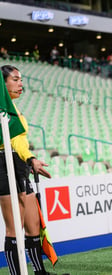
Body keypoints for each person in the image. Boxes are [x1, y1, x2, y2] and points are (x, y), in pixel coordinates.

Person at [1, 65, 52, 275]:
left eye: (20, 80)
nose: (21, 84)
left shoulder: (15, 112)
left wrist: (31, 159)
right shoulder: (2, 113)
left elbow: (20, 141)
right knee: (14, 228)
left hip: (20, 164)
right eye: (15, 80)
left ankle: (39, 272)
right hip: (2, 165)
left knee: (33, 225)